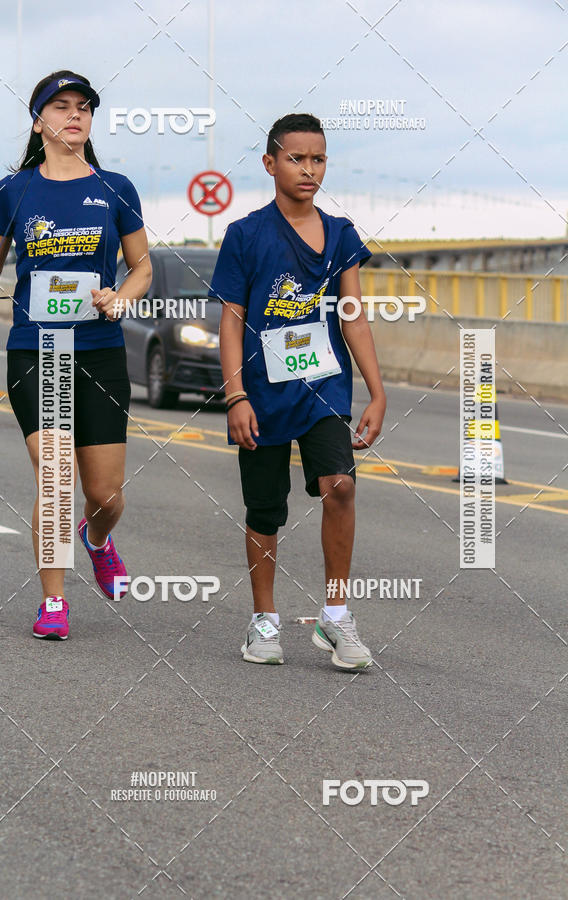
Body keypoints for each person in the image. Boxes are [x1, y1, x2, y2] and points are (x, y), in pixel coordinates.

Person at [0, 70, 152, 640]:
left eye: (84, 107)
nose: (75, 114)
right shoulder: (15, 190)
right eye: (62, 106)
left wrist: (120, 297)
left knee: (104, 494)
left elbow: (141, 267)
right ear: (39, 121)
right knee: (54, 477)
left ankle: (96, 539)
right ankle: (53, 601)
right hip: (37, 349)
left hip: (97, 350)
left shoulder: (115, 186)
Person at [210, 112, 386, 670]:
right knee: (265, 510)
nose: (309, 169)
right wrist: (236, 396)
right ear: (270, 163)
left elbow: (353, 316)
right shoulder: (245, 235)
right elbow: (232, 322)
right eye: (296, 158)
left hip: (324, 389)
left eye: (318, 159)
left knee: (341, 487)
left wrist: (376, 393)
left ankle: (335, 618)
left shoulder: (340, 234)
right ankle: (264, 620)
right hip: (262, 394)